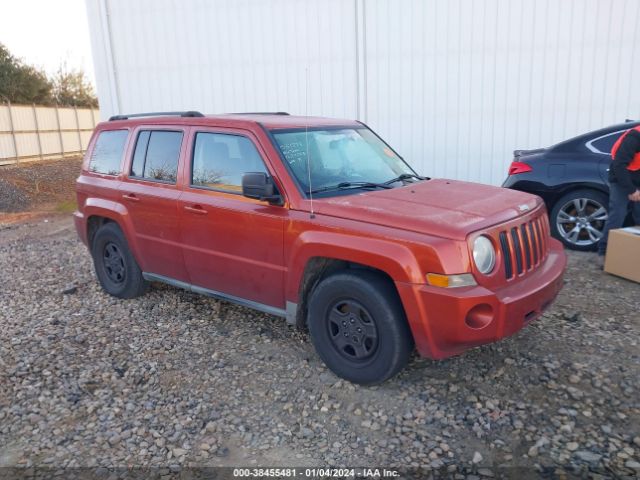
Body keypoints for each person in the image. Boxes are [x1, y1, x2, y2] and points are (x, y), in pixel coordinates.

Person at [597, 125, 640, 265]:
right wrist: (631, 190)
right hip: (622, 179)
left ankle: (633, 254)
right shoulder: (634, 137)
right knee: (618, 214)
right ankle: (604, 253)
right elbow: (619, 165)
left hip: (637, 178)